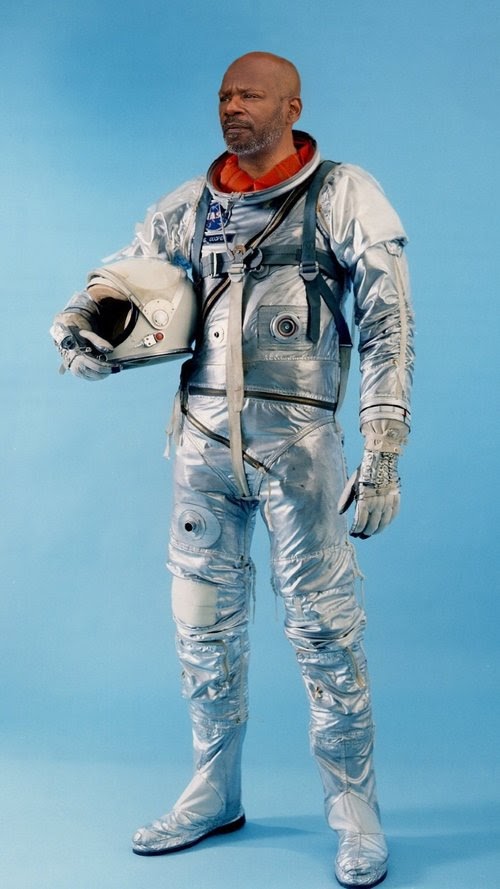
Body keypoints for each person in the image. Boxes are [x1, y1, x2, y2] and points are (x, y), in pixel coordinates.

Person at [50, 51, 414, 888]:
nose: (232, 106)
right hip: (203, 439)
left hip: (300, 444)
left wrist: (385, 444)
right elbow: (125, 278)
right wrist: (84, 328)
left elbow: (387, 319)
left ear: (293, 106)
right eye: (223, 95)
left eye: (250, 94)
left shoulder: (344, 196)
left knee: (325, 629)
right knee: (202, 624)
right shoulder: (191, 207)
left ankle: (354, 809)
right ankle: (215, 788)